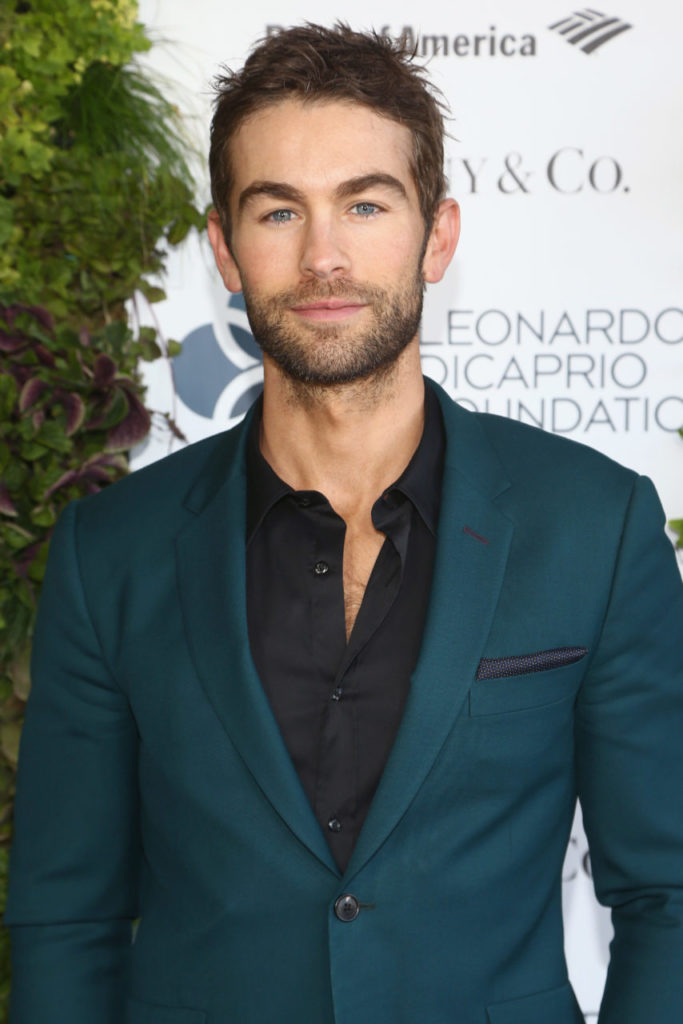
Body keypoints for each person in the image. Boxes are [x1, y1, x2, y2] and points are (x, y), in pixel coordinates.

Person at [6, 23, 683, 1024]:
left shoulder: (593, 524)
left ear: (436, 235)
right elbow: (65, 917)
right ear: (225, 250)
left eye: (364, 204)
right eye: (278, 210)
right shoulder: (113, 553)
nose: (323, 256)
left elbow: (667, 892)